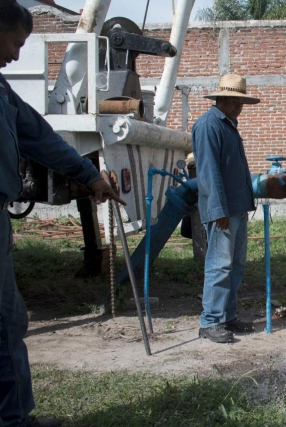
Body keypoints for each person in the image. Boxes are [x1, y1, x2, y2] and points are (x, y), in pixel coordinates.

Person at [0, 2, 125, 426]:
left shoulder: (1, 92)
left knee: (8, 317)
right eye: (14, 44)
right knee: (4, 320)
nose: (17, 56)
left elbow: (38, 135)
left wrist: (90, 175)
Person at [192, 74, 260, 343]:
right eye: (233, 100)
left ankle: (227, 316)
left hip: (236, 207)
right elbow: (208, 172)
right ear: (219, 99)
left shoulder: (228, 125)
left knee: (236, 264)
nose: (237, 105)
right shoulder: (209, 126)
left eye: (240, 101)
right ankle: (210, 322)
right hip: (222, 210)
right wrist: (218, 209)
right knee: (220, 265)